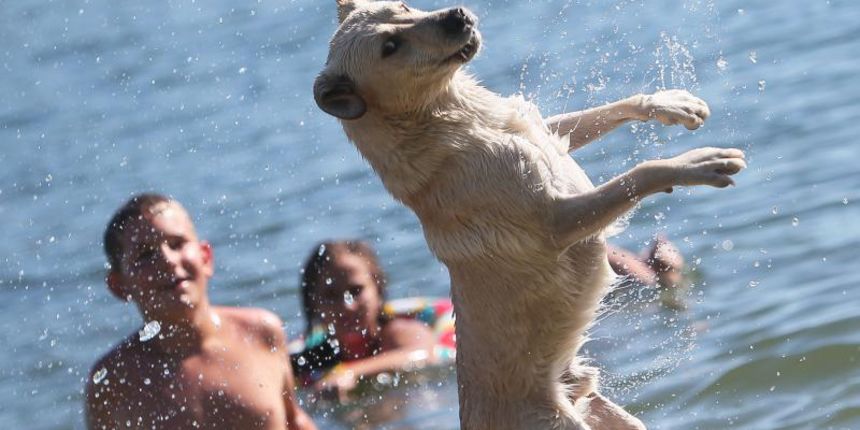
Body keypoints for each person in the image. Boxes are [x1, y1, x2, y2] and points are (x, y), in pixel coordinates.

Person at [86, 193, 316, 430]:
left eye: (177, 244)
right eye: (145, 255)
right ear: (119, 286)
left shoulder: (261, 332)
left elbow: (294, 420)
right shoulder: (113, 381)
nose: (167, 260)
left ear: (205, 257)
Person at [291, 240, 441, 400]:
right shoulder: (311, 360)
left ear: (378, 288)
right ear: (313, 305)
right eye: (331, 296)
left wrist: (350, 373)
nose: (347, 306)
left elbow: (424, 355)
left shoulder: (399, 332)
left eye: (356, 291)